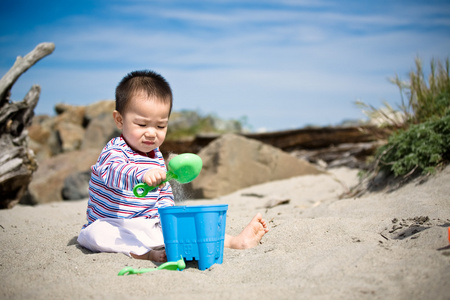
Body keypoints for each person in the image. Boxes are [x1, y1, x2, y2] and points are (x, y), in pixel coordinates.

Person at [77, 70, 268, 262]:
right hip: (114, 225)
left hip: (148, 225)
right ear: (120, 120)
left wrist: (168, 216)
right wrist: (142, 174)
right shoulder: (115, 150)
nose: (152, 133)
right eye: (142, 125)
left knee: (184, 229)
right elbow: (113, 172)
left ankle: (234, 241)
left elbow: (163, 193)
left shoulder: (157, 157)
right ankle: (146, 254)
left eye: (160, 126)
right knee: (94, 234)